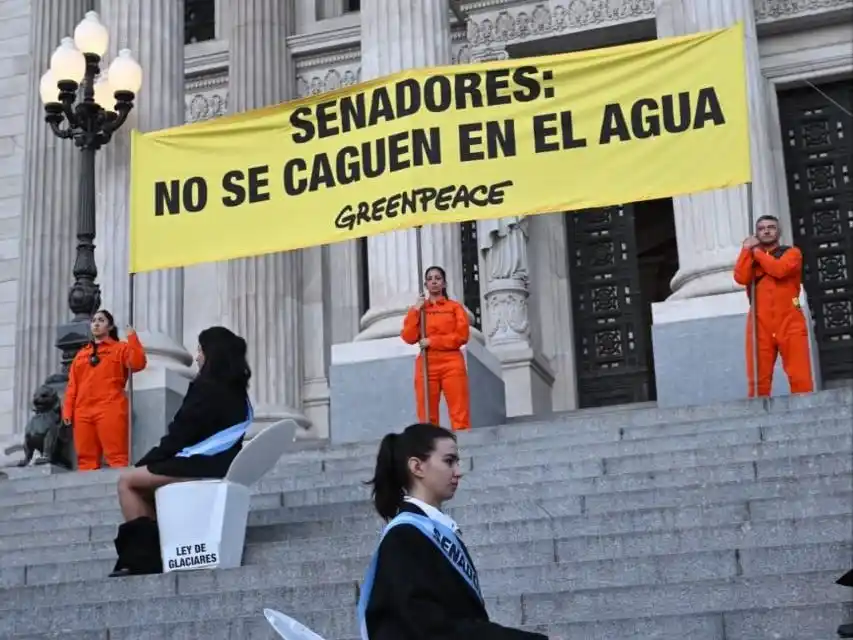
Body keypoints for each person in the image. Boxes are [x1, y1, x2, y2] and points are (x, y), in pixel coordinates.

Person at [357, 422, 550, 640]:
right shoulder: (405, 537)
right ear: (417, 467)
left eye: (457, 462)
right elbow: (430, 627)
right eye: (449, 461)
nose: (458, 472)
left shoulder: (430, 531)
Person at [110, 326, 253, 577]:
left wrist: (144, 463)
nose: (197, 357)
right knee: (145, 484)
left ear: (212, 353)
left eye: (200, 350)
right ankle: (159, 550)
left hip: (200, 467)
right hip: (222, 465)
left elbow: (178, 437)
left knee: (128, 482)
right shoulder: (239, 394)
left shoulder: (204, 389)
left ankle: (143, 558)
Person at [734, 215, 814, 397]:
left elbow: (779, 270)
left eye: (771, 227)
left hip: (790, 320)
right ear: (756, 233)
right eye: (761, 228)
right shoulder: (752, 257)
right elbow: (741, 277)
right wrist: (746, 250)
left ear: (779, 232)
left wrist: (757, 253)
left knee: (799, 374)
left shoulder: (792, 253)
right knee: (758, 378)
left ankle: (804, 411)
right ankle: (758, 418)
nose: (767, 231)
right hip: (759, 322)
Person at [62, 309, 146, 471]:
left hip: (110, 407)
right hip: (83, 411)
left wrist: (132, 337)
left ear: (110, 326)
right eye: (94, 321)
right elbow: (73, 385)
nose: (96, 324)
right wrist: (67, 411)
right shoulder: (81, 355)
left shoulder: (120, 349)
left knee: (117, 455)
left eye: (101, 320)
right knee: (85, 458)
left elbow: (137, 363)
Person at [400, 266, 471, 430]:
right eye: (430, 278)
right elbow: (408, 337)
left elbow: (461, 335)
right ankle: (430, 448)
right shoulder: (421, 309)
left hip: (451, 362)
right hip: (427, 363)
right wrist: (415, 310)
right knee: (426, 413)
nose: (434, 281)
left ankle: (463, 446)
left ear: (444, 283)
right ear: (425, 284)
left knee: (459, 409)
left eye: (438, 278)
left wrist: (433, 341)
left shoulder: (454, 308)